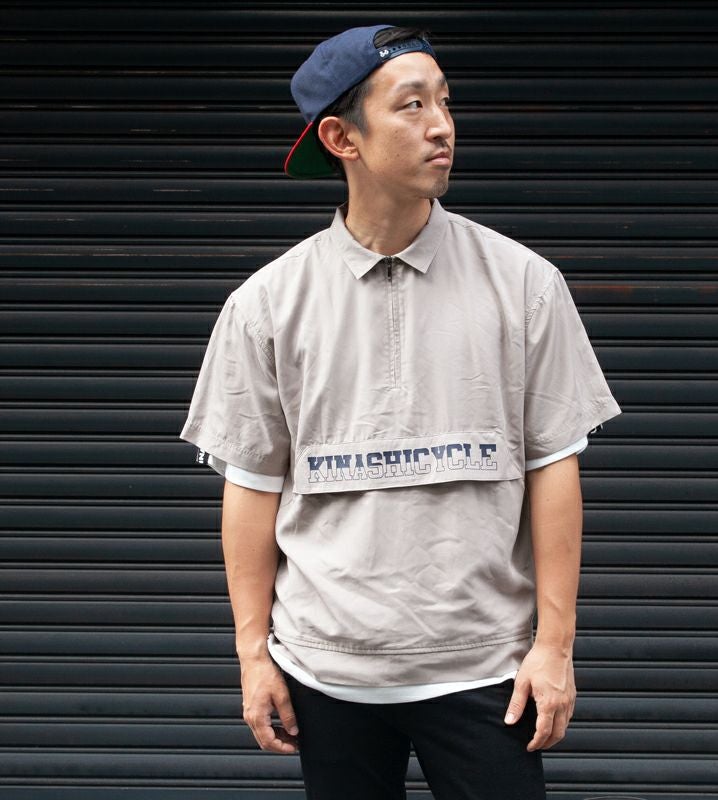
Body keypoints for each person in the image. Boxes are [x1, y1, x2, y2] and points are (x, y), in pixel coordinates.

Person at [181, 25, 621, 800]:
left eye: (445, 102)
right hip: (326, 671)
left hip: (486, 670)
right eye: (412, 105)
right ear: (341, 138)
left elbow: (554, 468)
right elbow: (251, 488)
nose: (442, 126)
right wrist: (254, 656)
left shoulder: (524, 284)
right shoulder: (267, 305)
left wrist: (554, 647)